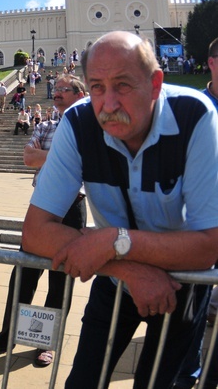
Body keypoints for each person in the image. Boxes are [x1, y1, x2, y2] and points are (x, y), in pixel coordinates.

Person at [22, 31, 218, 389]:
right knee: (82, 382)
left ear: (155, 83)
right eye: (96, 86)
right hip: (115, 281)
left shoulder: (194, 116)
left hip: (185, 285)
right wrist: (127, 268)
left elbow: (210, 244)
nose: (108, 103)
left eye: (123, 85)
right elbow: (35, 232)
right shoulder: (79, 122)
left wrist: (113, 240)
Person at [0, 76, 87, 367]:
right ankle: (6, 335)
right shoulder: (46, 125)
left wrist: (46, 157)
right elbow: (28, 159)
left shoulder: (88, 129)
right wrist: (62, 159)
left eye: (65, 89)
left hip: (73, 207)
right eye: (57, 89)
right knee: (23, 274)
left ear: (80, 94)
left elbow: (81, 164)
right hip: (41, 206)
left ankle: (46, 343)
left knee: (61, 278)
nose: (58, 93)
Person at [174, 37, 218, 389]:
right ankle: (188, 374)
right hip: (200, 224)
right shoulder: (194, 107)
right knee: (194, 307)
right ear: (213, 63)